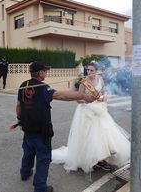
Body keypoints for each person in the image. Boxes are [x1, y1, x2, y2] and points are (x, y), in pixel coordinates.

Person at [16, 61, 96, 192]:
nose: (46, 73)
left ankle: (24, 173)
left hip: (27, 128)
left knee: (28, 151)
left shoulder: (23, 85)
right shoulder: (43, 88)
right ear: (40, 73)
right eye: (45, 71)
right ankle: (40, 187)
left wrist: (19, 120)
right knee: (43, 158)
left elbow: (19, 105)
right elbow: (61, 95)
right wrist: (83, 96)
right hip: (41, 131)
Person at [51, 62, 130, 178]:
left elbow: (104, 94)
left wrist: (103, 98)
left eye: (92, 70)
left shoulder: (101, 79)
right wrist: (88, 101)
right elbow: (78, 99)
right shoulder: (84, 82)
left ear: (97, 71)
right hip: (86, 111)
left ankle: (102, 157)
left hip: (99, 110)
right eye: (88, 70)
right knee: (88, 136)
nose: (89, 72)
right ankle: (92, 159)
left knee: (104, 134)